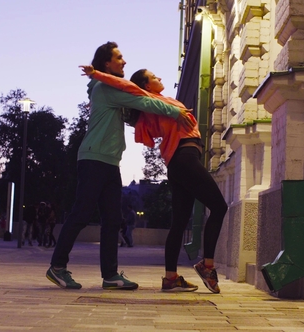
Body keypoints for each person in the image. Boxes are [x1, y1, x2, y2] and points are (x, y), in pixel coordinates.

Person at [45, 41, 196, 290]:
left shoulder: (110, 89)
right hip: (94, 158)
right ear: (107, 63)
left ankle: (111, 276)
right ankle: (57, 267)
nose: (124, 61)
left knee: (113, 220)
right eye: (119, 57)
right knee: (81, 213)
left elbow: (135, 109)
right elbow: (143, 103)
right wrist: (174, 111)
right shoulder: (106, 88)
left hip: (109, 161)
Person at [80, 65, 228, 293]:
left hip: (177, 163)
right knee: (219, 206)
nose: (159, 76)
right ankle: (207, 265)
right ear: (146, 85)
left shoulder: (157, 102)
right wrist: (95, 74)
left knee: (179, 222)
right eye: (153, 76)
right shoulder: (147, 99)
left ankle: (170, 278)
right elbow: (123, 84)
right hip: (185, 158)